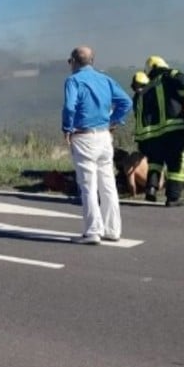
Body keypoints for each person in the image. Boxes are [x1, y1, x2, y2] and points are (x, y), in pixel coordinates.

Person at [62, 46, 132, 244]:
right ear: (92, 61)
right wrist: (114, 121)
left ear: (73, 61)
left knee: (88, 185)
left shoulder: (73, 80)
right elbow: (126, 102)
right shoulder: (105, 79)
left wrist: (67, 128)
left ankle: (93, 231)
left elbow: (69, 107)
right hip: (104, 136)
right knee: (107, 184)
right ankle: (113, 230)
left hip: (83, 136)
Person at [133, 56, 184, 206]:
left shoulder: (146, 88)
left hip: (153, 135)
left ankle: (151, 189)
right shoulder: (169, 76)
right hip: (174, 129)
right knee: (177, 162)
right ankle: (173, 197)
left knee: (155, 162)